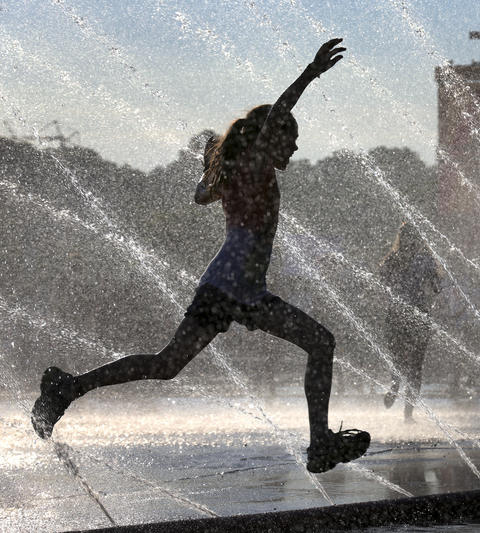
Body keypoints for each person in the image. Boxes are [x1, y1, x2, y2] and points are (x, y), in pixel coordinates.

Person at [31, 39, 370, 474]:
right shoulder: (255, 166)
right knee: (321, 342)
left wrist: (211, 170)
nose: (294, 149)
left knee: (166, 364)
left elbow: (199, 195)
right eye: (291, 139)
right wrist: (310, 72)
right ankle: (319, 443)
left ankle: (68, 388)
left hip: (225, 285)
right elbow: (268, 125)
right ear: (272, 138)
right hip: (238, 289)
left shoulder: (236, 173)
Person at [380, 222, 442, 422]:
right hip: (417, 314)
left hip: (398, 313)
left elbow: (381, 282)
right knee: (414, 365)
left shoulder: (393, 259)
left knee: (403, 360)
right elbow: (437, 287)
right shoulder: (424, 259)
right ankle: (406, 410)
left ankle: (396, 387)